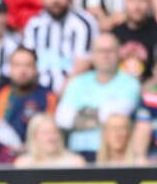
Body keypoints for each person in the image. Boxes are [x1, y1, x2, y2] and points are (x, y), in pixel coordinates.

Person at [55, 32, 141, 161]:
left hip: (112, 155)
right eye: (100, 51)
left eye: (110, 50)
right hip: (77, 153)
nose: (105, 55)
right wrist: (100, 117)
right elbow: (62, 119)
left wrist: (80, 115)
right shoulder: (77, 82)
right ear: (92, 55)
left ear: (119, 54)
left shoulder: (130, 83)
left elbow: (114, 116)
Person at [23, 0, 98, 93]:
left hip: (73, 91)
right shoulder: (34, 25)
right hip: (38, 91)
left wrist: (60, 95)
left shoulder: (83, 23)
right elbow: (27, 60)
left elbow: (83, 63)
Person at [0, 47, 57, 143]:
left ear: (36, 69)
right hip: (2, 152)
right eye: (17, 65)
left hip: (36, 151)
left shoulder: (48, 97)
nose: (22, 71)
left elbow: (51, 131)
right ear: (10, 69)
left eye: (28, 65)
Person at [111, 0, 157, 81]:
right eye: (132, 0)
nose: (136, 6)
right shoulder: (114, 35)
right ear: (125, 3)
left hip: (150, 89)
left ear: (149, 3)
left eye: (142, 0)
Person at [14, 113, 85, 168]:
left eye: (54, 132)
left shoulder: (75, 163)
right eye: (45, 133)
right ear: (33, 136)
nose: (51, 138)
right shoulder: (23, 164)